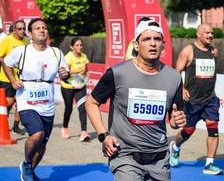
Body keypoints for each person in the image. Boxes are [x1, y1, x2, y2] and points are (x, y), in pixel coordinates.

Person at [85, 19, 186, 181]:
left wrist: (176, 120)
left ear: (163, 44)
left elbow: (173, 120)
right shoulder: (117, 73)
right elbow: (91, 103)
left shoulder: (174, 77)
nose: (153, 44)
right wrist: (104, 135)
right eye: (146, 39)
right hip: (126, 156)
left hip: (159, 158)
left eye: (157, 39)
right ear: (136, 45)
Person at [3, 18, 69, 181]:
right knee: (37, 133)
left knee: (42, 144)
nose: (42, 30)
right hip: (26, 100)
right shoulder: (22, 51)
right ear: (30, 33)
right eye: (37, 28)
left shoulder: (56, 52)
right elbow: (6, 62)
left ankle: (30, 171)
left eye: (44, 28)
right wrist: (12, 80)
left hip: (47, 102)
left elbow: (66, 72)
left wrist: (65, 74)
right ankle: (26, 164)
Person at [169, 23, 223, 175]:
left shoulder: (214, 51)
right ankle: (175, 147)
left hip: (210, 99)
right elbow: (176, 73)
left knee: (213, 128)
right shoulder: (188, 51)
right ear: (198, 34)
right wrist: (182, 89)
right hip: (192, 101)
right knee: (188, 131)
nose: (210, 35)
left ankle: (209, 163)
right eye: (206, 32)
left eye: (211, 33)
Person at [0, 20, 29, 135]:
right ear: (14, 30)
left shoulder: (27, 41)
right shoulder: (7, 40)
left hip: (22, 78)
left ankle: (16, 126)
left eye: (23, 29)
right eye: (19, 29)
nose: (22, 31)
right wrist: (10, 62)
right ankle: (3, 122)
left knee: (21, 103)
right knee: (9, 102)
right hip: (7, 77)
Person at [60, 37, 90, 141]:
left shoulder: (84, 57)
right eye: (77, 45)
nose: (79, 47)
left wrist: (85, 80)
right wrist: (74, 73)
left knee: (82, 108)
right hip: (67, 87)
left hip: (80, 87)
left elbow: (86, 71)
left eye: (81, 45)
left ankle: (84, 132)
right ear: (72, 47)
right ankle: (64, 128)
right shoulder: (68, 57)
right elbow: (63, 75)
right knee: (69, 109)